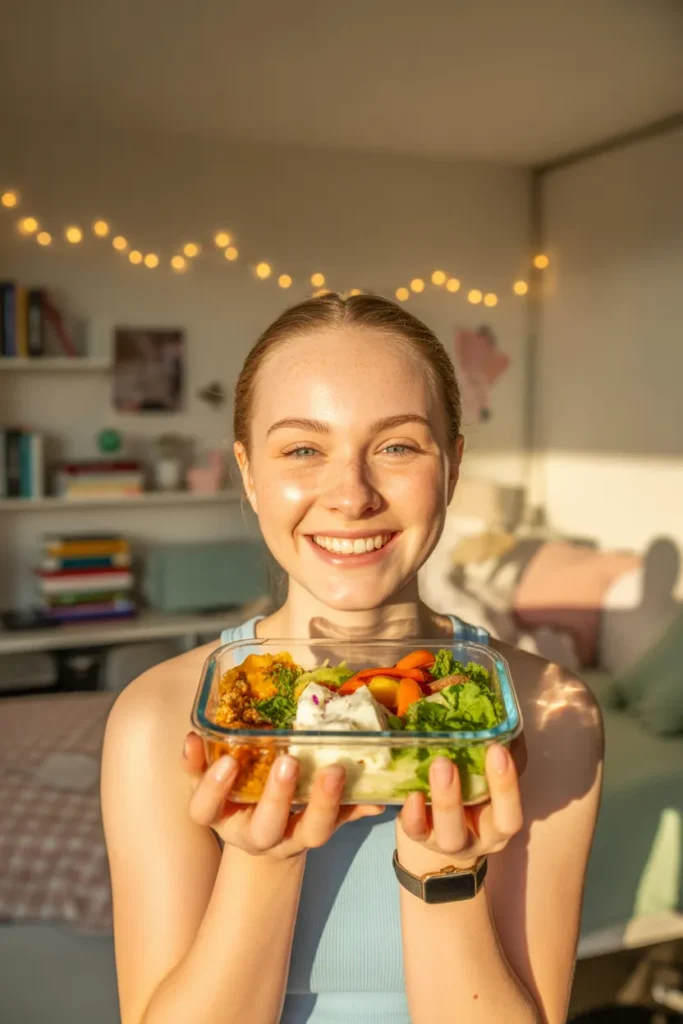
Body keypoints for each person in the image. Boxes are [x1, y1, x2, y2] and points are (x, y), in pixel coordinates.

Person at [102, 293, 603, 1024]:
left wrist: (443, 871)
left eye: (396, 446)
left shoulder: (547, 714)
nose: (351, 496)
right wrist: (262, 860)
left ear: (452, 465)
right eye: (303, 449)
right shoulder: (159, 719)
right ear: (247, 471)